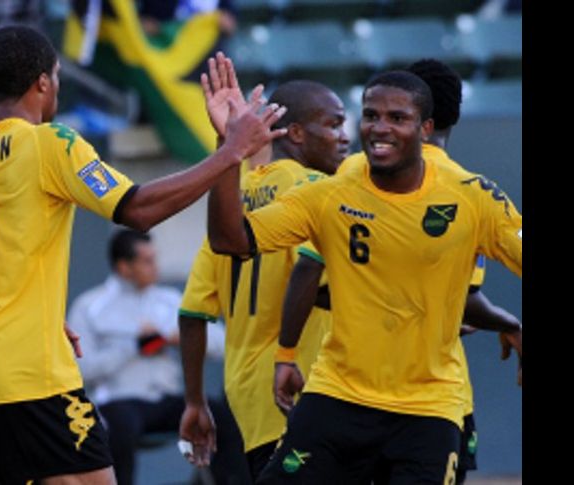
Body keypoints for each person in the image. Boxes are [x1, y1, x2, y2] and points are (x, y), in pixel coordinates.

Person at [0, 26, 284, 484]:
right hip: (30, 376)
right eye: (56, 77)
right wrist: (231, 152)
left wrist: (12, 303)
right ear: (43, 83)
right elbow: (138, 209)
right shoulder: (51, 143)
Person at [207, 67, 522, 483]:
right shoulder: (334, 189)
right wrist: (228, 151)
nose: (380, 128)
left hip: (428, 407)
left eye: (397, 118)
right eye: (371, 115)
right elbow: (231, 240)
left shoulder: (473, 197)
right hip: (338, 396)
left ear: (425, 129)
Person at [179, 53, 349, 480]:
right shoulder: (318, 191)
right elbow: (316, 278)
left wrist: (195, 401)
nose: (345, 138)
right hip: (303, 384)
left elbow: (193, 313)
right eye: (333, 125)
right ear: (294, 133)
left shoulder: (229, 206)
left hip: (246, 397)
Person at [69, 229, 245, 485]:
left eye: (155, 259)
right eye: (147, 261)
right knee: (119, 428)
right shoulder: (90, 306)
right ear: (124, 266)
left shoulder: (170, 300)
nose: (156, 267)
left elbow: (222, 342)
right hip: (119, 402)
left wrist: (183, 338)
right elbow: (80, 370)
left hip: (166, 399)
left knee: (220, 416)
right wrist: (133, 347)